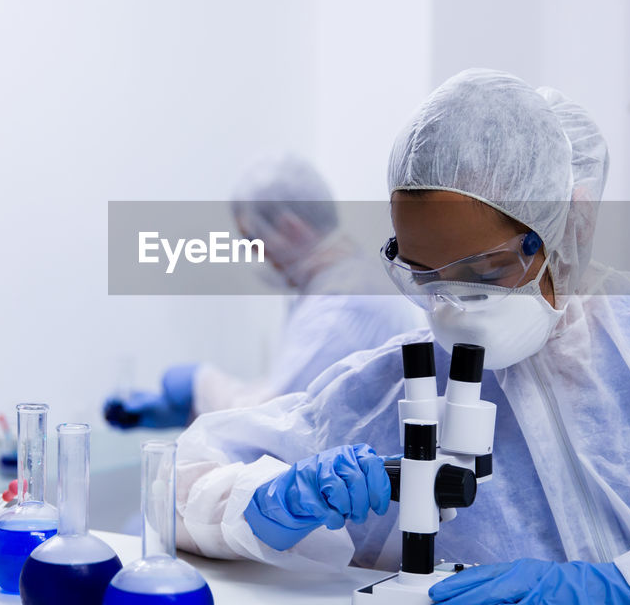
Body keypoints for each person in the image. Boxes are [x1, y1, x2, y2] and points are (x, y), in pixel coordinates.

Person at [173, 69, 630, 605]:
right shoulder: (392, 384)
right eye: (426, 276)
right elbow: (176, 488)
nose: (454, 305)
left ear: (571, 227)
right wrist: (263, 502)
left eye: (485, 269)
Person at [104, 153, 420, 429]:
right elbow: (296, 392)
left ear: (289, 228)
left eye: (253, 241)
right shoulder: (337, 286)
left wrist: (203, 384)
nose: (257, 256)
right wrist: (189, 411)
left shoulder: (342, 305)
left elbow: (278, 419)